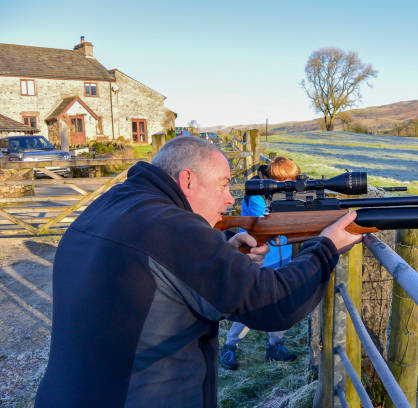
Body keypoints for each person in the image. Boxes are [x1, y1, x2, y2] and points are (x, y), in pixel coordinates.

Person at [34, 136, 361, 408]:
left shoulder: (111, 205)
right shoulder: (173, 227)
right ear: (187, 180)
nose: (229, 198)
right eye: (221, 185)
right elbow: (274, 303)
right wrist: (325, 247)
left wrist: (221, 254)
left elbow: (160, 282)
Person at [220, 157, 301, 370]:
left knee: (280, 302)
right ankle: (230, 346)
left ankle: (275, 346)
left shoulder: (283, 193)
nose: (291, 184)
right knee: (253, 304)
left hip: (282, 257)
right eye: (288, 180)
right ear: (277, 178)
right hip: (259, 257)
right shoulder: (257, 194)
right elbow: (261, 224)